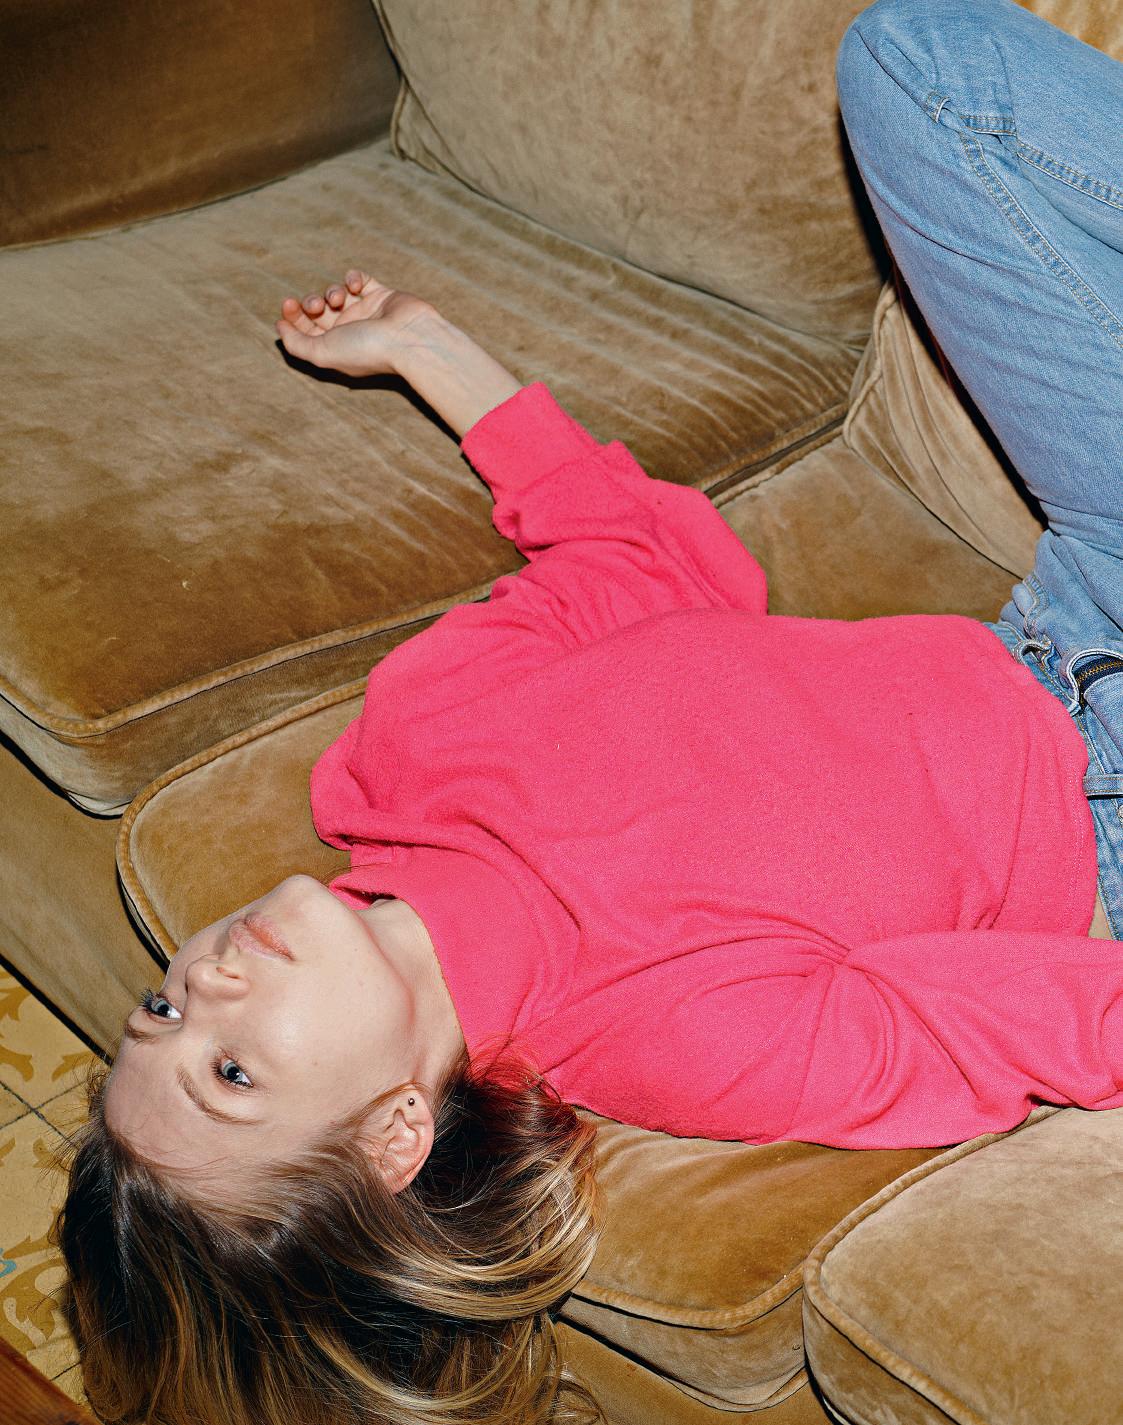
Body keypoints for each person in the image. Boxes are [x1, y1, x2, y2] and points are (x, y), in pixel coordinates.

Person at [55, 2, 1123, 1423]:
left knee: (925, 69)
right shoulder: (653, 1032)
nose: (206, 986)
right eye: (234, 1071)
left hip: (1077, 598)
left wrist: (431, 351)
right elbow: (1005, 1023)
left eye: (162, 1008)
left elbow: (650, 565)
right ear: (391, 1137)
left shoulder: (405, 753)